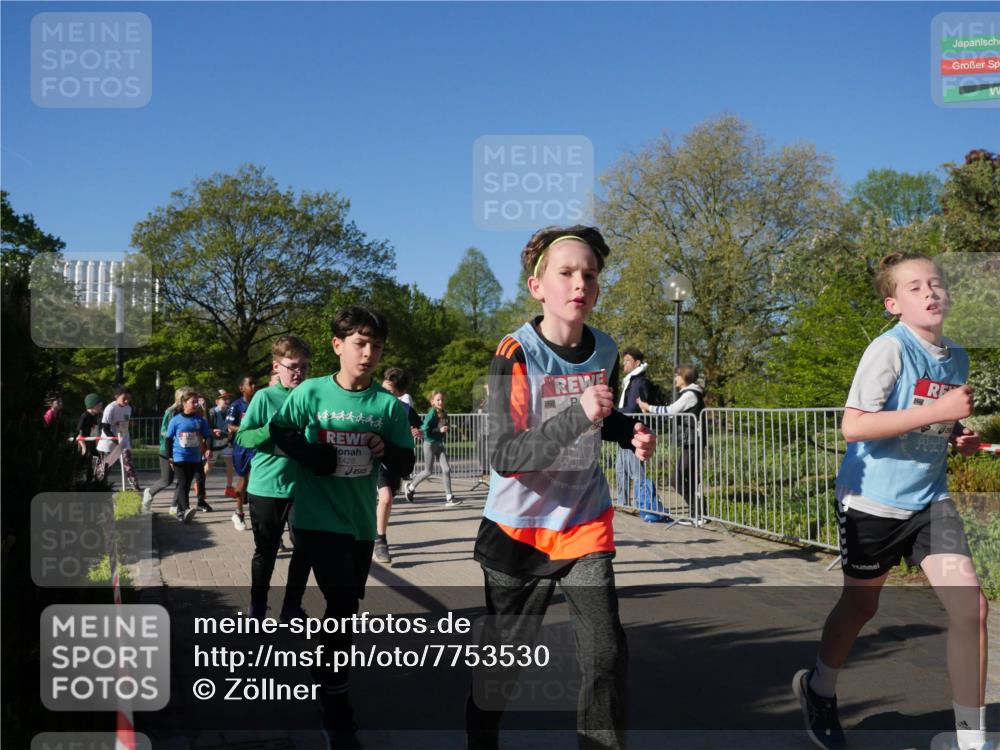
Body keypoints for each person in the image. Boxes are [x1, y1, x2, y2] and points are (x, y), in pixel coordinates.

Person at [467, 226, 656, 750]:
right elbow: (504, 456)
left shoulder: (607, 349)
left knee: (606, 656)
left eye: (590, 275)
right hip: (517, 533)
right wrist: (579, 415)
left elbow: (604, 417)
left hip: (582, 524)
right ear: (537, 286)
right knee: (501, 674)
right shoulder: (514, 353)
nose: (580, 284)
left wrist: (630, 433)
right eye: (566, 273)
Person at [792, 252, 988, 750]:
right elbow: (855, 425)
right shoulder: (889, 349)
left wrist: (955, 433)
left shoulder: (957, 357)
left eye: (936, 283)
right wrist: (940, 412)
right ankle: (819, 688)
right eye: (915, 286)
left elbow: (933, 420)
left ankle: (971, 739)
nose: (930, 292)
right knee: (861, 604)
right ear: (893, 304)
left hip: (930, 500)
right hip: (873, 501)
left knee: (972, 610)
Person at [270, 305, 415, 747]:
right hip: (315, 518)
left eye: (376, 345)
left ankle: (327, 672)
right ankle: (336, 707)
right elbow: (280, 430)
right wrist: (311, 454)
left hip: (358, 522)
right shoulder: (311, 393)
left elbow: (405, 462)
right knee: (343, 604)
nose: (368, 352)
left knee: (344, 606)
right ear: (338, 346)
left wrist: (384, 447)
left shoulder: (387, 406)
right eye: (360, 343)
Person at [235, 335, 313, 621]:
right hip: (267, 486)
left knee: (304, 551)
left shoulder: (312, 395)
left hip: (304, 487)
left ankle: (291, 607)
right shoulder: (264, 397)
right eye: (292, 366)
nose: (298, 372)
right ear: (276, 366)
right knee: (265, 552)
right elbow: (243, 436)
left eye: (304, 367)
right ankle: (257, 607)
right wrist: (272, 428)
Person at [637, 365, 705, 513]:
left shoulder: (690, 395)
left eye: (677, 376)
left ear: (684, 377)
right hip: (691, 442)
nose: (675, 378)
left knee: (677, 479)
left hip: (694, 441)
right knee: (688, 477)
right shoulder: (688, 393)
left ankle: (698, 511)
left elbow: (670, 410)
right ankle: (698, 512)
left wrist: (647, 406)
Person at [373, 367, 423, 564]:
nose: (385, 395)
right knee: (383, 498)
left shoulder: (405, 410)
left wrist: (417, 433)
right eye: (383, 389)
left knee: (387, 499)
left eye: (390, 393)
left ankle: (375, 535)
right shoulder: (372, 403)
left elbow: (417, 427)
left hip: (393, 460)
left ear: (400, 394)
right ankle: (380, 541)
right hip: (371, 460)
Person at [164, 391, 213, 523]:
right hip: (179, 457)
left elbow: (207, 435)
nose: (196, 404)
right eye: (193, 402)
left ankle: (181, 512)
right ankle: (185, 509)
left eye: (197, 402)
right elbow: (168, 439)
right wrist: (169, 457)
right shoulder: (175, 420)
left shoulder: (199, 420)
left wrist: (208, 448)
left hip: (194, 457)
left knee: (185, 484)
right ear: (184, 403)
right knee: (183, 482)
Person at [615, 348, 656, 507]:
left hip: (633, 432)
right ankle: (623, 503)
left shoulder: (639, 382)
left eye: (627, 361)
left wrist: (614, 413)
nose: (624, 364)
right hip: (624, 430)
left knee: (635, 471)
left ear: (637, 363)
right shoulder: (630, 381)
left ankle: (643, 502)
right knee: (621, 469)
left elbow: (632, 408)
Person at [404, 390, 459, 506]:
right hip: (429, 444)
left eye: (442, 400)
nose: (441, 402)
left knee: (447, 469)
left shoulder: (444, 413)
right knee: (428, 471)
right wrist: (439, 430)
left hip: (439, 444)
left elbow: (442, 429)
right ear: (432, 402)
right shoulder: (431, 414)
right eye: (438, 400)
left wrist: (445, 429)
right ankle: (411, 486)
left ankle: (449, 497)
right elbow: (425, 429)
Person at [143, 387, 190, 514]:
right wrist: (173, 435)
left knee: (182, 479)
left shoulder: (189, 413)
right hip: (167, 449)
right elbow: (163, 430)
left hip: (182, 450)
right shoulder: (170, 412)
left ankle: (174, 505)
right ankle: (149, 492)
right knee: (167, 480)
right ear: (180, 398)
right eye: (187, 397)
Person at [95, 386, 141, 492]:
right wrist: (116, 441)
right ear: (116, 396)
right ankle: (98, 486)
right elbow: (105, 427)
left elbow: (124, 422)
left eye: (129, 399)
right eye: (124, 398)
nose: (126, 401)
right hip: (109, 443)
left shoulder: (128, 408)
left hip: (124, 441)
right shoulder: (110, 408)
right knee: (105, 468)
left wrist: (129, 424)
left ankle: (136, 487)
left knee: (128, 464)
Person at [227, 374, 257, 530]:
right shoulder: (236, 405)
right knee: (243, 480)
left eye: (254, 384)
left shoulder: (258, 402)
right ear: (241, 388)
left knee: (258, 479)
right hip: (242, 447)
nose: (254, 387)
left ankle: (259, 515)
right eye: (250, 384)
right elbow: (230, 426)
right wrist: (246, 429)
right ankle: (238, 513)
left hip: (257, 445)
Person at [207, 390, 236, 498]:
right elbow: (208, 429)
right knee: (208, 466)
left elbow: (231, 425)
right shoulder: (212, 412)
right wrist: (213, 432)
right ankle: (199, 485)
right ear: (217, 401)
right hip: (214, 443)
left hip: (225, 442)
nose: (227, 401)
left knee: (230, 465)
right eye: (224, 399)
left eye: (228, 398)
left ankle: (229, 487)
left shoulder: (230, 411)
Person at [75, 393, 104, 483]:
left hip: (91, 446)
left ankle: (93, 481)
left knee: (98, 459)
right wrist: (83, 447)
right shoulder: (84, 417)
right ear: (93, 405)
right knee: (83, 466)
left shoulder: (94, 417)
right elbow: (78, 434)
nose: (101, 407)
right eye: (99, 405)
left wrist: (97, 447)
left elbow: (94, 434)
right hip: (83, 446)